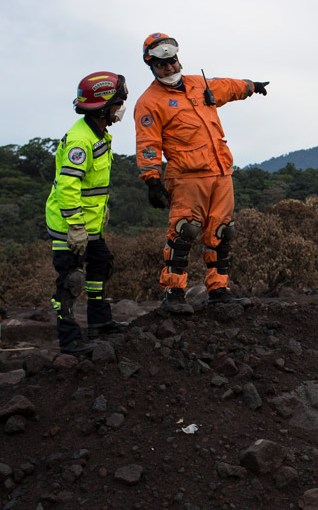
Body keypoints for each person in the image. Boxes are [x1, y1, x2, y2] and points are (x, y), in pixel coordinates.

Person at [134, 32, 269, 313]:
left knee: (222, 232)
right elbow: (148, 143)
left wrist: (250, 86)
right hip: (186, 176)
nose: (170, 68)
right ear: (151, 65)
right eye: (162, 65)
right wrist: (152, 179)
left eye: (172, 61)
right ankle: (174, 293)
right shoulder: (149, 102)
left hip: (221, 171)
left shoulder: (198, 84)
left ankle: (218, 289)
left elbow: (226, 87)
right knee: (184, 232)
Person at [44, 71, 129, 354]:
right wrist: (76, 226)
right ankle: (69, 341)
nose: (121, 108)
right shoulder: (81, 141)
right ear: (104, 107)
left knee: (100, 264)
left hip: (90, 225)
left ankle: (100, 324)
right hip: (70, 224)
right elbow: (69, 186)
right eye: (118, 103)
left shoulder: (98, 133)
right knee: (70, 280)